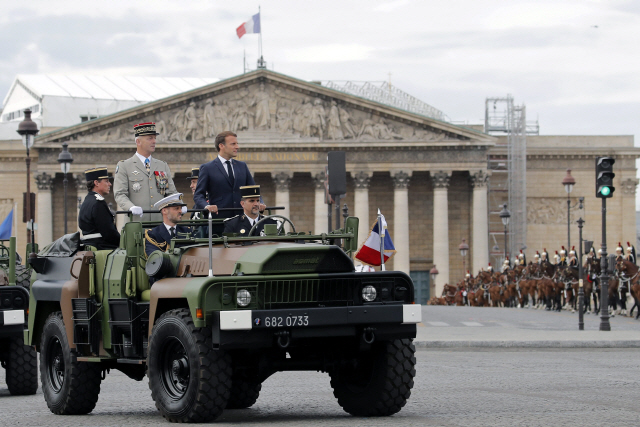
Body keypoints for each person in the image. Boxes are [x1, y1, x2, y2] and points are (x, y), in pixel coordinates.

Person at [114, 122, 177, 222]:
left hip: (159, 225)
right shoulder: (125, 166)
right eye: (150, 138)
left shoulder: (162, 165)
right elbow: (120, 194)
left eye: (155, 138)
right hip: (136, 224)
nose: (154, 141)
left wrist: (179, 204)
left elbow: (171, 193)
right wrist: (130, 207)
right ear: (138, 142)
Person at [194, 131, 264, 219]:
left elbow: (254, 189)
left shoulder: (242, 166)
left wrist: (260, 202)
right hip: (219, 220)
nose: (237, 147)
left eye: (237, 144)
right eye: (233, 144)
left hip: (241, 220)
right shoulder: (207, 168)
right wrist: (206, 206)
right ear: (221, 146)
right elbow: (198, 195)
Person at [78, 167, 120, 250]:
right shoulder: (98, 203)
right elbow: (108, 232)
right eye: (106, 181)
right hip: (102, 246)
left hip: (91, 245)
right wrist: (123, 241)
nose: (110, 184)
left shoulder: (87, 201)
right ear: (96, 183)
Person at [144, 193, 191, 257]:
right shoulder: (153, 234)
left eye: (180, 208)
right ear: (164, 211)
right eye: (177, 208)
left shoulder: (187, 231)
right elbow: (154, 257)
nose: (180, 211)